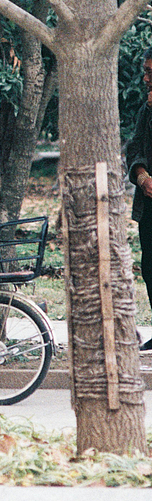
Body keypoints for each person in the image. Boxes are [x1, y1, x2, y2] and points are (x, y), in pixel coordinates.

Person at [123, 47, 152, 351]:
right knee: (150, 268)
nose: (145, 79)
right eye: (145, 72)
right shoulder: (146, 109)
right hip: (150, 206)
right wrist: (142, 177)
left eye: (151, 73)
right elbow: (134, 148)